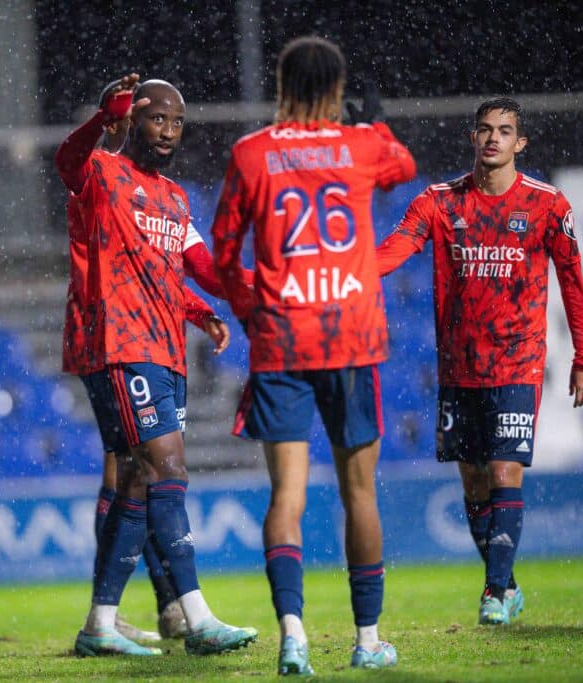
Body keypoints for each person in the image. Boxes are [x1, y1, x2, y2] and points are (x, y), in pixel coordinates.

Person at [212, 36, 417, 674]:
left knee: (286, 498)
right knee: (360, 495)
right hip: (350, 337)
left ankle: (293, 636)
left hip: (282, 340)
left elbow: (223, 253)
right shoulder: (359, 147)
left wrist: (252, 309)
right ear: (335, 87)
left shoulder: (250, 154)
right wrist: (370, 121)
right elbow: (405, 165)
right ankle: (366, 639)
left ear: (280, 84)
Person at [55, 74, 257, 657]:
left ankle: (101, 622)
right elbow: (67, 160)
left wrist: (231, 298)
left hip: (166, 349)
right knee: (166, 468)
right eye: (156, 118)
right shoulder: (101, 172)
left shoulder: (174, 197)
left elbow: (194, 268)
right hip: (121, 343)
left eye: (176, 122)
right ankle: (194, 616)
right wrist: (101, 120)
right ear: (132, 120)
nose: (168, 131)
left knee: (138, 479)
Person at [375, 97, 583, 626]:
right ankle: (508, 583)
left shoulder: (548, 205)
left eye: (505, 131)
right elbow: (393, 251)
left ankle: (494, 592)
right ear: (472, 139)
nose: (493, 138)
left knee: (504, 471)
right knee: (474, 483)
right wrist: (348, 271)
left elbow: (573, 282)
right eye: (485, 130)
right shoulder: (438, 202)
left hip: (519, 363)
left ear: (520, 143)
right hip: (460, 369)